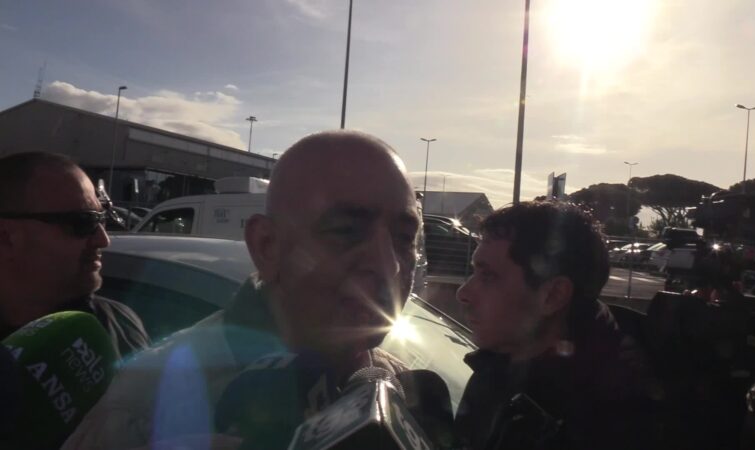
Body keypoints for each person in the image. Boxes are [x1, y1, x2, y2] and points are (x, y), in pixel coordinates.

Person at [62, 130, 422, 450]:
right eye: (346, 231)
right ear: (267, 246)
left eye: (405, 238)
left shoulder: (397, 388)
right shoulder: (144, 408)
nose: (388, 266)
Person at [454, 201, 651, 450]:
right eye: (474, 272)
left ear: (553, 296)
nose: (463, 293)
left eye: (488, 276)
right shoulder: (499, 368)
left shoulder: (610, 423)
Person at [0, 152, 149, 358]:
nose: (103, 240)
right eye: (82, 222)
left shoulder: (119, 323)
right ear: (7, 237)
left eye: (102, 220)